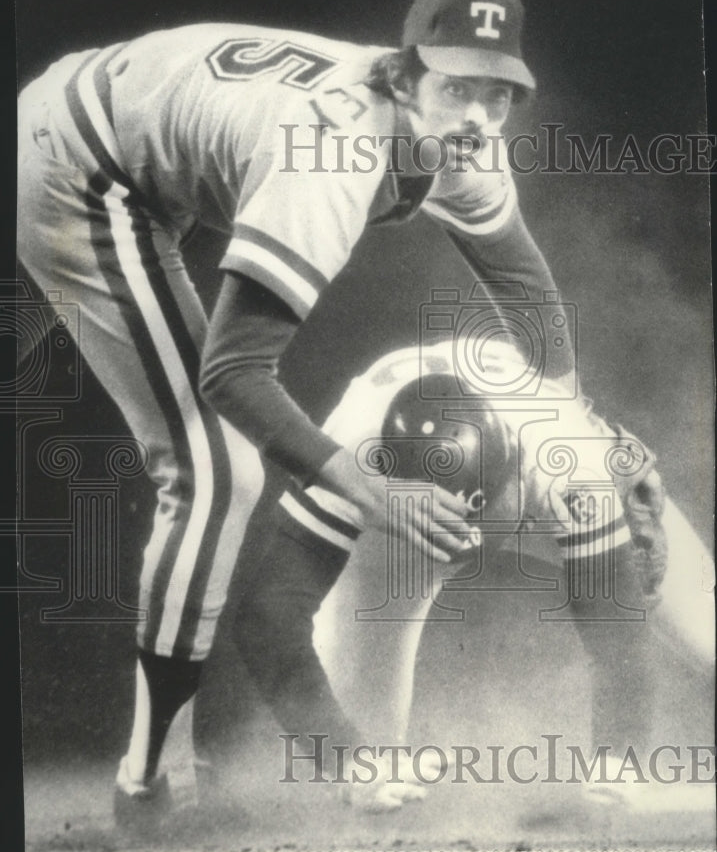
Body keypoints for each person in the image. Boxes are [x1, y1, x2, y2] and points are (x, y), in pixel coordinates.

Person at [17, 0, 568, 822]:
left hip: (140, 130)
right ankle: (151, 780)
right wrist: (369, 486)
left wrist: (574, 438)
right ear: (399, 76)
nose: (477, 116)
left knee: (225, 465)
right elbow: (232, 373)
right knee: (212, 472)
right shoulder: (336, 154)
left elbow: (525, 288)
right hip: (78, 161)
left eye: (497, 94)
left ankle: (164, 773)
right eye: (456, 87)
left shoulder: (464, 142)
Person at [236, 335, 714, 811]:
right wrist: (343, 760)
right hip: (395, 532)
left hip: (536, 490)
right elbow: (266, 618)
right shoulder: (355, 458)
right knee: (370, 771)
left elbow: (616, 629)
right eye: (444, 522)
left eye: (473, 520)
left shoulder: (566, 458)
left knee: (708, 633)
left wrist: (617, 771)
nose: (467, 541)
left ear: (511, 471)